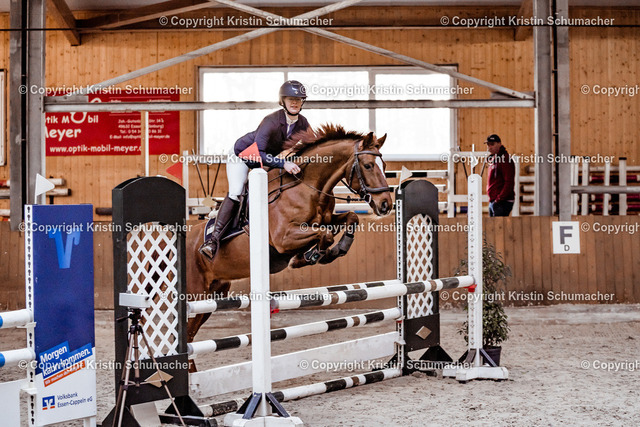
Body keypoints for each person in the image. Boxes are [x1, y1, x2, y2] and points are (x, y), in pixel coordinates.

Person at [199, 80, 311, 260]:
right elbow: (258, 153)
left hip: (266, 159)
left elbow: (311, 146)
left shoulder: (303, 123)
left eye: (298, 99)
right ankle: (213, 240)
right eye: (291, 99)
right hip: (243, 156)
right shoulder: (271, 121)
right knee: (237, 190)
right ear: (282, 101)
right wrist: (284, 163)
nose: (295, 102)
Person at [485, 134, 515, 217]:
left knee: (498, 224)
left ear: (499, 144)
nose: (489, 147)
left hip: (502, 202)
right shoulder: (494, 159)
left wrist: (499, 199)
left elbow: (509, 182)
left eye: (492, 144)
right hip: (495, 201)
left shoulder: (505, 159)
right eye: (488, 145)